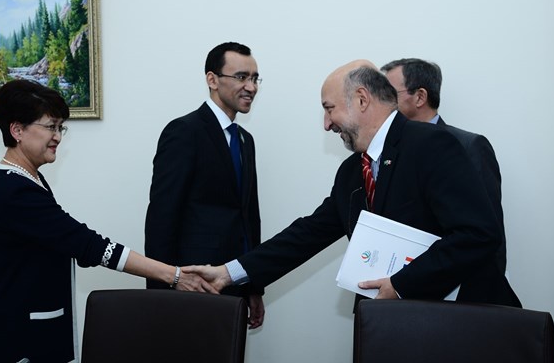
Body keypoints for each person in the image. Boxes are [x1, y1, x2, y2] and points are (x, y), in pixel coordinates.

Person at [186, 59, 521, 308]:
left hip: (461, 327)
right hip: (400, 324)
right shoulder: (352, 171)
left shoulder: (432, 144)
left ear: (361, 99)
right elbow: (306, 235)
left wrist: (401, 285)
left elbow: (478, 234)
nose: (326, 124)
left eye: (329, 109)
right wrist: (230, 272)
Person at [0, 80, 217, 363]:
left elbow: (73, 243)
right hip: (23, 340)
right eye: (50, 127)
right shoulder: (16, 192)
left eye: (60, 128)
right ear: (17, 130)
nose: (57, 137)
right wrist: (174, 275)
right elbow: (88, 245)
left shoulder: (28, 178)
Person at [144, 42, 265, 329]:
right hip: (192, 286)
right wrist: (162, 292)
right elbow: (161, 218)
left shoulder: (245, 140)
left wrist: (254, 286)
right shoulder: (184, 132)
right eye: (241, 77)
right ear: (212, 79)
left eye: (255, 78)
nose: (251, 87)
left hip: (236, 283)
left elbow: (249, 218)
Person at [380, 58, 507, 274]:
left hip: (457, 285)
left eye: (390, 94)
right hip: (397, 283)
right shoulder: (386, 152)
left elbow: (489, 233)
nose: (383, 103)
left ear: (420, 97)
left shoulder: (468, 146)